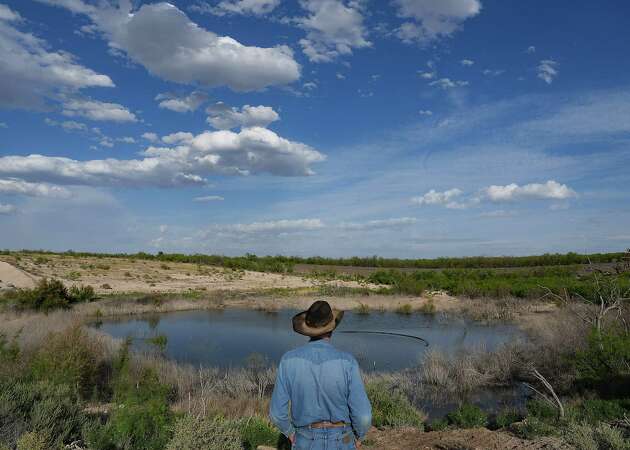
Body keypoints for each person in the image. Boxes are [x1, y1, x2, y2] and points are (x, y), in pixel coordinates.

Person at [269, 300, 372, 449]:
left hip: (305, 440)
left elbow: (277, 414)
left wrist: (291, 434)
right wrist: (358, 437)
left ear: (307, 330)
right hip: (342, 439)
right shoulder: (347, 362)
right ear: (332, 328)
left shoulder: (288, 360)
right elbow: (364, 417)